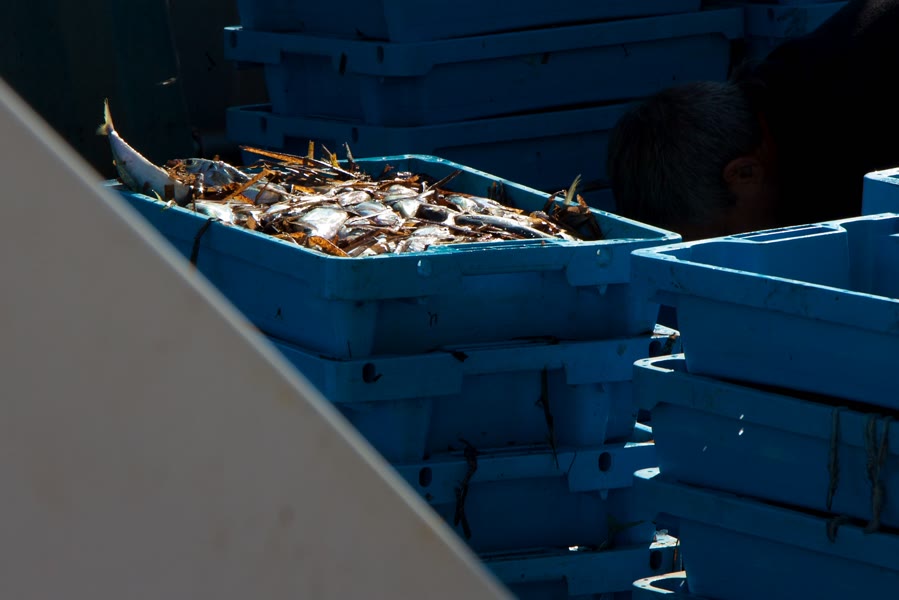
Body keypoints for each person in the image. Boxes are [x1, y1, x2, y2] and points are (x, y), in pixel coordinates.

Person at [607, 0, 899, 240]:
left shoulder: (851, 136)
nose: (721, 261)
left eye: (724, 236)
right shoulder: (780, 86)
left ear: (744, 173)